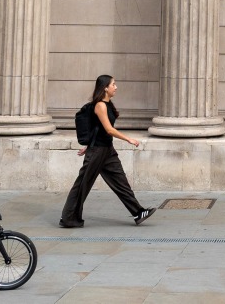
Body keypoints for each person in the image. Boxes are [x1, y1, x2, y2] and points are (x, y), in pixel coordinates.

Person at [60, 75, 156, 227]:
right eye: (113, 84)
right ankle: (68, 218)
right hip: (98, 151)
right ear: (105, 87)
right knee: (82, 184)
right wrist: (128, 139)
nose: (116, 87)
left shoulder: (108, 104)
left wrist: (88, 145)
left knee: (121, 182)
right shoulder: (100, 105)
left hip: (107, 151)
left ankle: (138, 212)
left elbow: (97, 128)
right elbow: (108, 129)